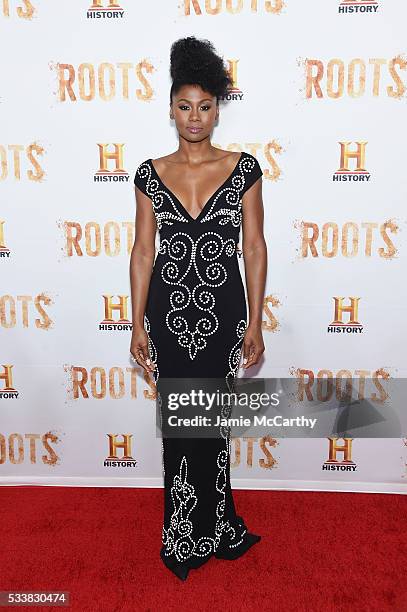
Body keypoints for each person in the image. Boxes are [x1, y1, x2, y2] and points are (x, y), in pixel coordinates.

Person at [130, 36, 267, 581]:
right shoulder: (148, 173)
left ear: (217, 109)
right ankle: (183, 530)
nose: (194, 116)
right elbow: (143, 250)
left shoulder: (243, 169)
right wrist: (136, 320)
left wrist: (255, 320)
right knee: (180, 425)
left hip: (223, 316)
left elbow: (253, 247)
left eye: (205, 106)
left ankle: (219, 525)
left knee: (211, 424)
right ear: (170, 109)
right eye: (184, 106)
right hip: (167, 316)